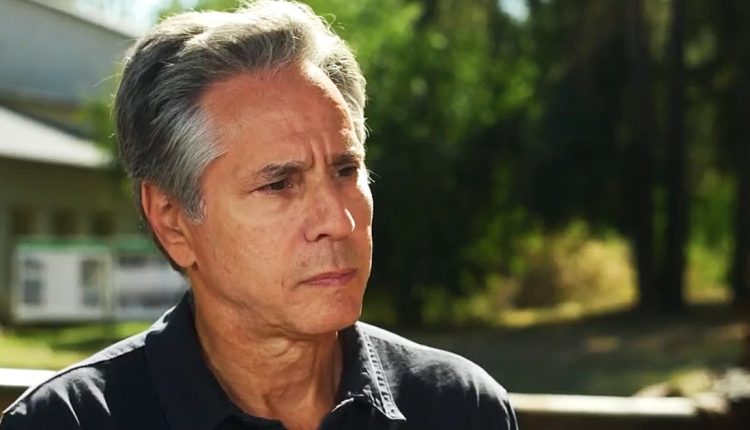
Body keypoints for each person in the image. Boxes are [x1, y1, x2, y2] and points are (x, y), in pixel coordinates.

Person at [0, 1, 518, 429]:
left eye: (346, 170)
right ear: (173, 221)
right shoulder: (69, 422)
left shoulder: (460, 409)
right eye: (279, 184)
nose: (338, 221)